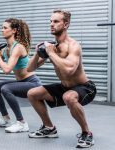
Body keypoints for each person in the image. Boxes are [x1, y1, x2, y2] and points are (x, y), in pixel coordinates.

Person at [27, 9, 96, 148]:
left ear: (66, 24)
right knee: (32, 94)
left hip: (84, 87)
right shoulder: (52, 47)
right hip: (64, 87)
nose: (52, 24)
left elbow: (70, 70)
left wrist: (51, 53)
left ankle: (87, 133)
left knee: (69, 97)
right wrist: (37, 53)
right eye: (51, 21)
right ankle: (49, 128)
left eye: (56, 21)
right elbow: (30, 69)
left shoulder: (73, 45)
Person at [0, 18, 41, 133]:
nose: (2, 30)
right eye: (2, 28)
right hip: (21, 82)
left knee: (6, 89)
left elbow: (6, 70)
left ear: (14, 30)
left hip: (32, 83)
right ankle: (5, 119)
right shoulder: (6, 49)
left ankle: (21, 123)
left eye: (5, 28)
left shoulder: (18, 47)